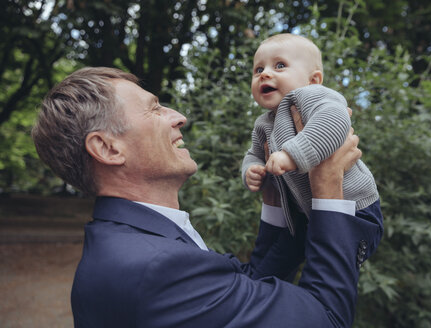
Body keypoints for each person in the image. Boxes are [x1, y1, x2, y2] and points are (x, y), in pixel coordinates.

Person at [31, 67, 383, 327]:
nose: (178, 117)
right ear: (108, 148)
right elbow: (326, 318)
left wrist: (277, 204)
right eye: (155, 109)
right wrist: (327, 188)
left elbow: (242, 290)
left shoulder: (136, 241)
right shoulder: (154, 268)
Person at [242, 33, 381, 235]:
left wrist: (291, 155)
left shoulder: (309, 96)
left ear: (313, 80)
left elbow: (335, 119)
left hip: (354, 208)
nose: (265, 74)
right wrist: (252, 169)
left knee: (336, 257)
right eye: (259, 69)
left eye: (280, 65)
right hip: (306, 213)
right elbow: (254, 153)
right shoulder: (264, 123)